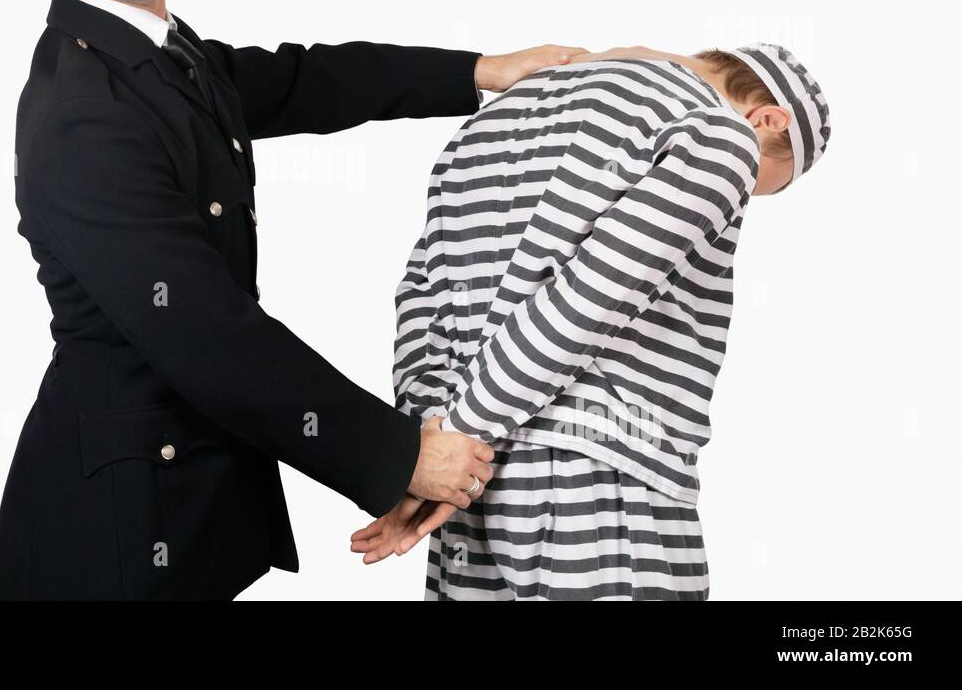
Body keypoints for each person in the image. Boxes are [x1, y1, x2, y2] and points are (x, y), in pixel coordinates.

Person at [0, 0, 583, 599]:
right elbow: (207, 330)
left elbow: (303, 80)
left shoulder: (158, 55)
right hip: (115, 528)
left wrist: (480, 72)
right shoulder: (83, 108)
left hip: (183, 491)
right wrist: (399, 453)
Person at [351, 42, 831, 599]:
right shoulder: (719, 136)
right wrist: (462, 432)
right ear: (766, 119)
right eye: (758, 185)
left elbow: (424, 290)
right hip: (603, 474)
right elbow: (584, 304)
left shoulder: (499, 112)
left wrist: (426, 443)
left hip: (462, 481)